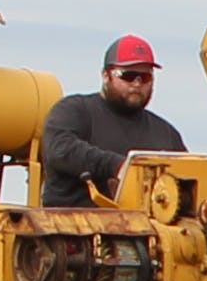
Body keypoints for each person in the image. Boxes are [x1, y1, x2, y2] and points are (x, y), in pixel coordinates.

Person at [36, 37, 188, 208]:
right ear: (106, 75)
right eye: (128, 76)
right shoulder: (74, 110)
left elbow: (188, 178)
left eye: (145, 77)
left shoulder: (166, 133)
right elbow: (59, 150)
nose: (137, 84)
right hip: (71, 228)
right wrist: (118, 166)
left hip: (150, 231)